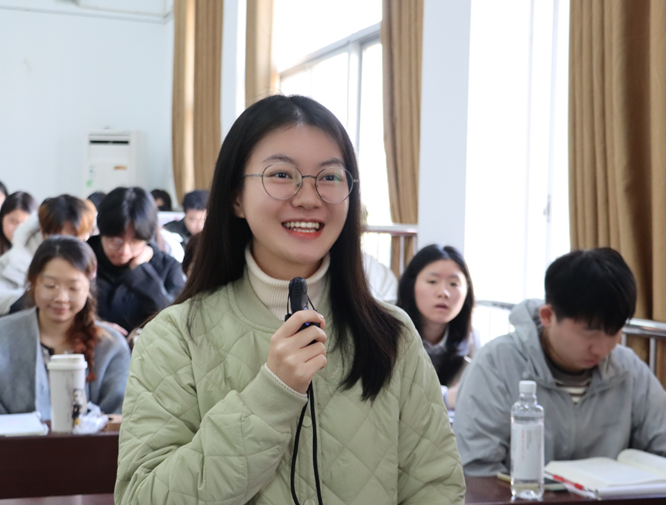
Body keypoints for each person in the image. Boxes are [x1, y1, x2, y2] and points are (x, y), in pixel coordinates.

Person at [115, 95, 465, 504]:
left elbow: (436, 488)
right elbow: (142, 497)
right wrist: (272, 395)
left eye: (329, 177)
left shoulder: (392, 335)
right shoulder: (175, 337)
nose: (309, 197)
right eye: (282, 174)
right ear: (235, 197)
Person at [454, 248, 666, 476]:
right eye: (590, 331)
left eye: (613, 332)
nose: (603, 348)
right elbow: (476, 472)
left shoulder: (627, 369)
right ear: (548, 316)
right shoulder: (496, 365)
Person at [0, 236, 131, 418]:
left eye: (73, 288)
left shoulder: (111, 346)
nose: (61, 298)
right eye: (50, 286)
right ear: (33, 282)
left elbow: (121, 419)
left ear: (88, 288)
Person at [0, 195, 96, 318]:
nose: (69, 248)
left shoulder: (93, 256)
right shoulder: (16, 261)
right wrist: (31, 299)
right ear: (43, 232)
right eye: (61, 239)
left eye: (77, 239)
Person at [89, 187, 185, 332]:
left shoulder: (167, 267)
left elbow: (177, 322)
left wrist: (141, 272)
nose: (124, 251)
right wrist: (95, 326)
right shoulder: (80, 260)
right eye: (116, 241)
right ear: (101, 233)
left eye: (134, 242)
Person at [397, 244, 477, 409]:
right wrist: (445, 397)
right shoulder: (387, 331)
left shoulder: (473, 341)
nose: (443, 293)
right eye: (432, 281)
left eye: (454, 284)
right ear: (411, 286)